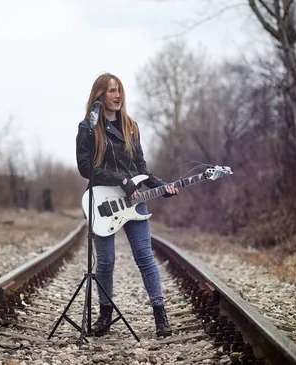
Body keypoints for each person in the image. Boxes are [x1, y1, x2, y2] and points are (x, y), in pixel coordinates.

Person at [75, 73, 179, 338]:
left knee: (145, 256)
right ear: (100, 95)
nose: (117, 95)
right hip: (102, 201)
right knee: (106, 262)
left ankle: (160, 317)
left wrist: (161, 185)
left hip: (134, 201)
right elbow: (86, 168)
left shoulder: (131, 126)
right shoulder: (88, 128)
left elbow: (140, 168)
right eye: (111, 90)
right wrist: (121, 179)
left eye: (119, 90)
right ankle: (105, 316)